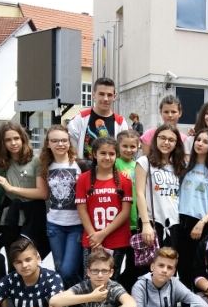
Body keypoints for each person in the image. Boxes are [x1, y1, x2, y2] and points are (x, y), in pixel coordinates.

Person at [0, 122, 50, 262]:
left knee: (29, 258)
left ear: (23, 138)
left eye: (16, 138)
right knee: (13, 258)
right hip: (10, 216)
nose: (13, 143)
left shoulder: (35, 160)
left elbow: (42, 193)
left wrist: (11, 188)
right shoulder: (0, 161)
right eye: (8, 140)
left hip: (32, 216)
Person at [76, 137, 133, 275]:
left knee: (112, 279)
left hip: (117, 239)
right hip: (92, 239)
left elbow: (125, 212)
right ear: (94, 154)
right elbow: (82, 210)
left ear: (116, 155)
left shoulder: (125, 181)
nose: (107, 157)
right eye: (103, 153)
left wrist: (103, 234)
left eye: (111, 154)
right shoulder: (83, 179)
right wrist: (94, 237)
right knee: (91, 278)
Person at [177, 128, 208, 290]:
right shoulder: (185, 166)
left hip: (200, 222)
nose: (200, 144)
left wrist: (202, 222)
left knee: (196, 266)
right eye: (198, 140)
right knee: (181, 264)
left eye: (205, 142)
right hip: (180, 220)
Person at [39, 125, 84, 287]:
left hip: (77, 225)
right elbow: (43, 193)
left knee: (67, 270)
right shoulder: (45, 166)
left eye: (64, 140)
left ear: (69, 143)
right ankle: (71, 299)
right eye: (55, 141)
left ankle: (79, 295)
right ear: (48, 144)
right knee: (59, 269)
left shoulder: (80, 165)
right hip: (54, 225)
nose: (60, 144)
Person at [136, 125, 186, 248]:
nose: (166, 142)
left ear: (176, 144)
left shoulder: (179, 165)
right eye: (162, 138)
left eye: (171, 140)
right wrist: (145, 224)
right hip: (153, 222)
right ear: (155, 139)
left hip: (175, 223)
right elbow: (139, 193)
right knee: (152, 260)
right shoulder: (144, 161)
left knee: (171, 259)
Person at [68, 77, 129, 161]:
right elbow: (71, 150)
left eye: (109, 95)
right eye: (101, 94)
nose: (105, 99)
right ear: (93, 95)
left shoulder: (120, 122)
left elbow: (123, 151)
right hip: (84, 168)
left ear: (114, 96)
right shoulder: (80, 118)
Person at [115, 129, 142, 292]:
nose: (129, 150)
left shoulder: (138, 165)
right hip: (119, 223)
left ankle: (126, 292)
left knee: (133, 264)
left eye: (133, 146)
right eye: (125, 146)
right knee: (116, 263)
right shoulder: (115, 163)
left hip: (134, 222)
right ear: (118, 146)